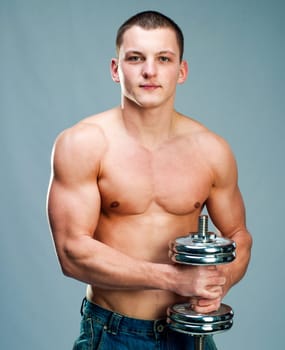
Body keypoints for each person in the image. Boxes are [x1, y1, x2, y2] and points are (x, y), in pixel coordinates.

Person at [47, 10, 252, 350]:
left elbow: (239, 236)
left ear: (181, 71)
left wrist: (219, 283)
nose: (150, 71)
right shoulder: (82, 144)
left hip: (190, 334)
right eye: (135, 58)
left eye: (164, 58)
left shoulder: (212, 150)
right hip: (114, 332)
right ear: (116, 69)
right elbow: (72, 253)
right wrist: (173, 278)